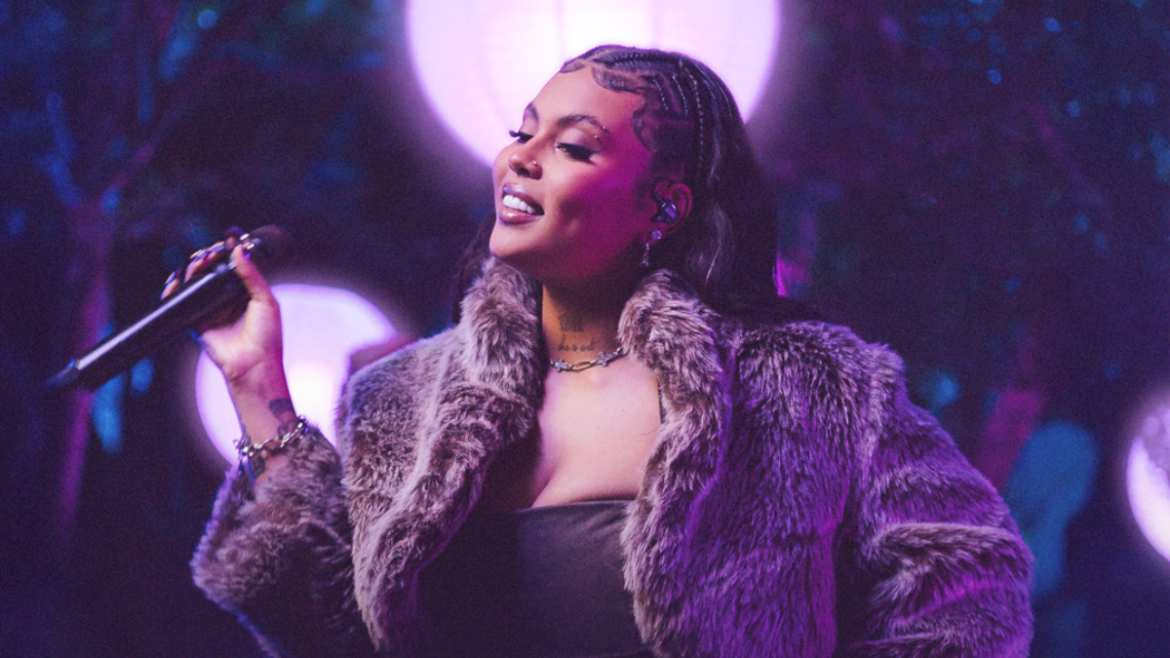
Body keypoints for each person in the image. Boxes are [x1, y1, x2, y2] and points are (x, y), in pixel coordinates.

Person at [178, 46, 1033, 657]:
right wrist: (256, 385)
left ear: (664, 206)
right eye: (522, 132)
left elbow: (972, 587)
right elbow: (334, 635)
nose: (522, 160)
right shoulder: (400, 398)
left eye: (574, 146)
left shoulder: (810, 387)